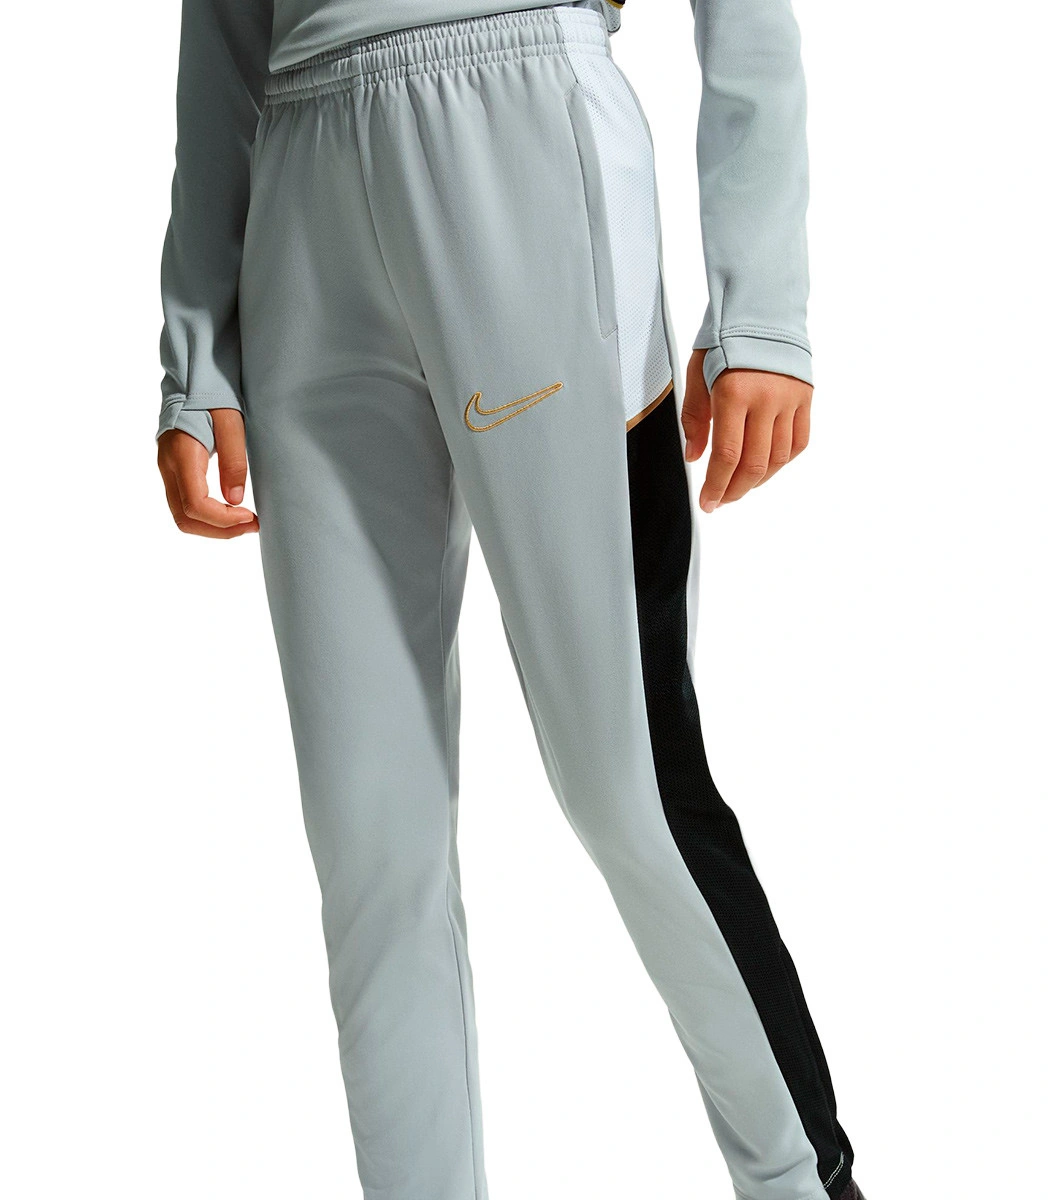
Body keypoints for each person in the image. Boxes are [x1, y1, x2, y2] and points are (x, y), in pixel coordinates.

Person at [154, 3, 863, 1198]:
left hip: (521, 121)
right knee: (371, 841)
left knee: (626, 784)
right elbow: (220, 33)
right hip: (301, 176)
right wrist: (195, 355)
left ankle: (802, 1184)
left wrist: (763, 310)